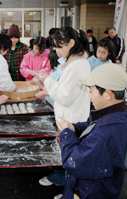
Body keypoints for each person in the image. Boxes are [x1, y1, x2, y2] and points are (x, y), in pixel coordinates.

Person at [56, 63, 127, 199]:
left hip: (91, 191)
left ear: (108, 94)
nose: (89, 96)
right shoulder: (119, 114)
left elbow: (73, 161)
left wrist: (66, 133)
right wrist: (75, 128)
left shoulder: (105, 133)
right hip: (105, 184)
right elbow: (92, 125)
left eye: (91, 91)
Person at [36, 27, 91, 194]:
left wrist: (48, 80)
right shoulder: (76, 62)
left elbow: (64, 96)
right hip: (71, 116)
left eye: (60, 46)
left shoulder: (77, 66)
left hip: (73, 119)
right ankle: (67, 185)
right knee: (69, 153)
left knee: (71, 155)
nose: (56, 51)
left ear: (72, 43)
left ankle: (70, 191)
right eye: (55, 46)